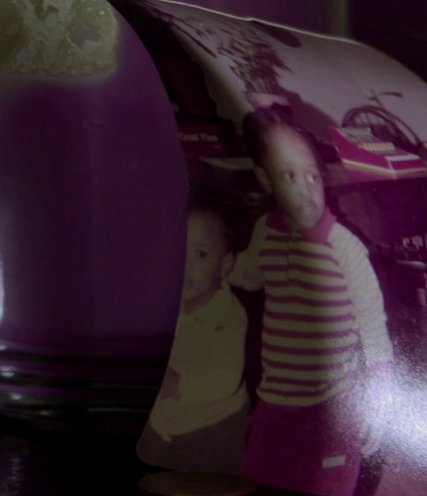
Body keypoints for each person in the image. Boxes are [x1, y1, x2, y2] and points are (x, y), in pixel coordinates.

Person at [231, 104, 394, 496]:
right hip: (274, 402)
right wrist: (218, 264)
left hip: (332, 407)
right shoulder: (264, 232)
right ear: (265, 180)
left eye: (313, 176)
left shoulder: (345, 247)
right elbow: (247, 275)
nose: (305, 189)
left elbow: (374, 329)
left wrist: (379, 405)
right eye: (289, 175)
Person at [139, 189, 252, 475]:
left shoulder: (228, 317)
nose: (184, 264)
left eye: (200, 254)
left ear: (224, 265)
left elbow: (220, 382)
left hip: (213, 431)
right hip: (164, 424)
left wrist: (170, 381)